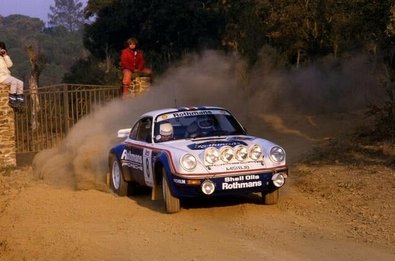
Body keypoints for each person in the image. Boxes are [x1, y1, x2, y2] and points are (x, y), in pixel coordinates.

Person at [0, 41, 24, 109]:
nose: (1, 49)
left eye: (2, 48)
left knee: (20, 82)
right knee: (14, 82)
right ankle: (12, 100)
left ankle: (20, 101)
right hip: (1, 77)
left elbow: (10, 65)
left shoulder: (3, 57)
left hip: (7, 76)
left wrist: (5, 56)